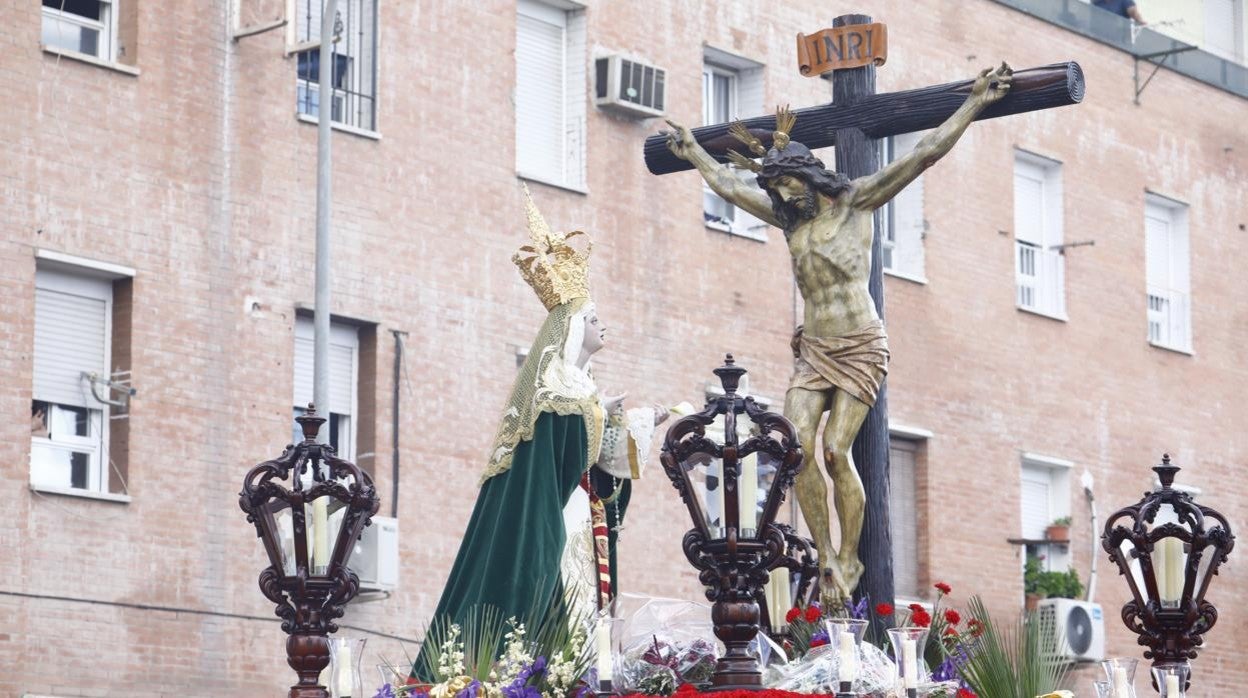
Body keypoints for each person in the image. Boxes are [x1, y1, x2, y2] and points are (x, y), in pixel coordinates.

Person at [664, 63, 1013, 605]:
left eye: (787, 184)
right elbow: (731, 187)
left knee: (833, 450)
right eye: (776, 189)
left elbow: (923, 154)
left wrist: (973, 103)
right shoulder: (791, 222)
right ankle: (824, 554)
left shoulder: (856, 202)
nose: (783, 196)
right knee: (795, 448)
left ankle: (850, 555)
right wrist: (694, 153)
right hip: (814, 348)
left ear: (809, 175)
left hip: (859, 343)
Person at [411, 187, 666, 680]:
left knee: (585, 612)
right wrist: (603, 412)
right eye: (593, 320)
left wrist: (635, 422)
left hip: (581, 510)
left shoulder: (581, 388)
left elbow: (599, 459)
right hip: (556, 510)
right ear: (572, 329)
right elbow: (566, 451)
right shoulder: (555, 388)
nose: (602, 327)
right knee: (558, 604)